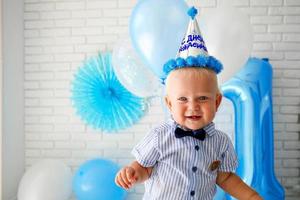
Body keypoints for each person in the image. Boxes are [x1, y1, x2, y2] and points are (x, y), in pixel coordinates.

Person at [115, 6, 262, 200]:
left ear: (217, 102)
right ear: (169, 104)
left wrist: (251, 196)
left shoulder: (221, 142)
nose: (193, 106)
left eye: (203, 98)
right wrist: (132, 173)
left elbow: (225, 178)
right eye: (183, 99)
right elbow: (144, 168)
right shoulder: (160, 136)